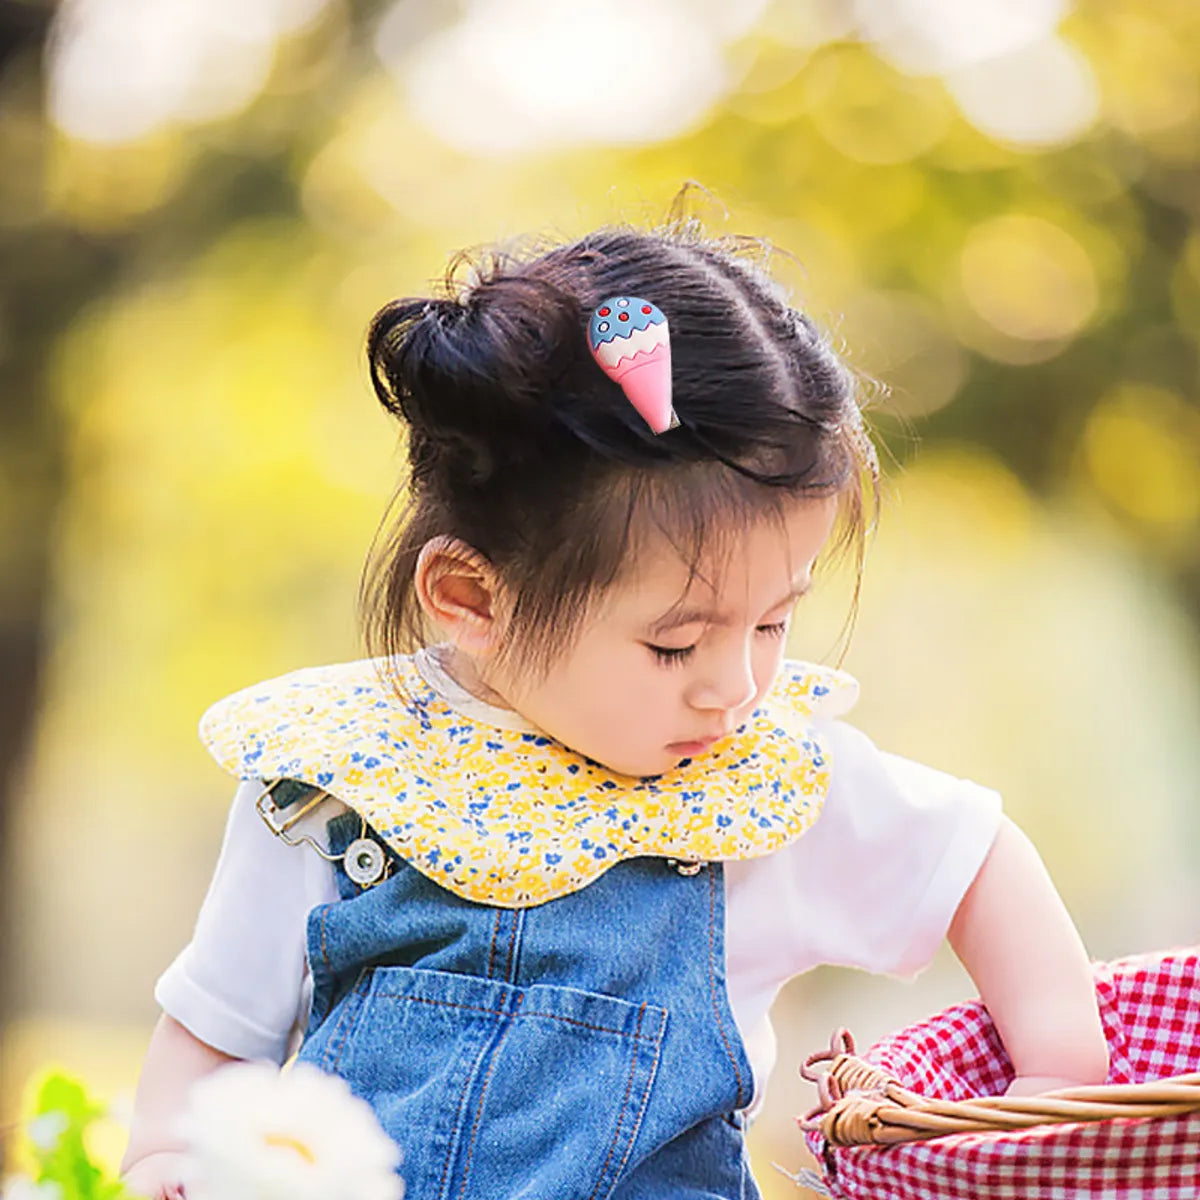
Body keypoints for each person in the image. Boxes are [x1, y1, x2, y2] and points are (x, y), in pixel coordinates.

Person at [119, 220, 1109, 1199]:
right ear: (474, 598)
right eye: (674, 642)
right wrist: (166, 1157)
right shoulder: (342, 775)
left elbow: (974, 858)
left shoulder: (757, 782)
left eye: (772, 623)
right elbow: (218, 1032)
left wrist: (1059, 1075)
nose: (734, 686)